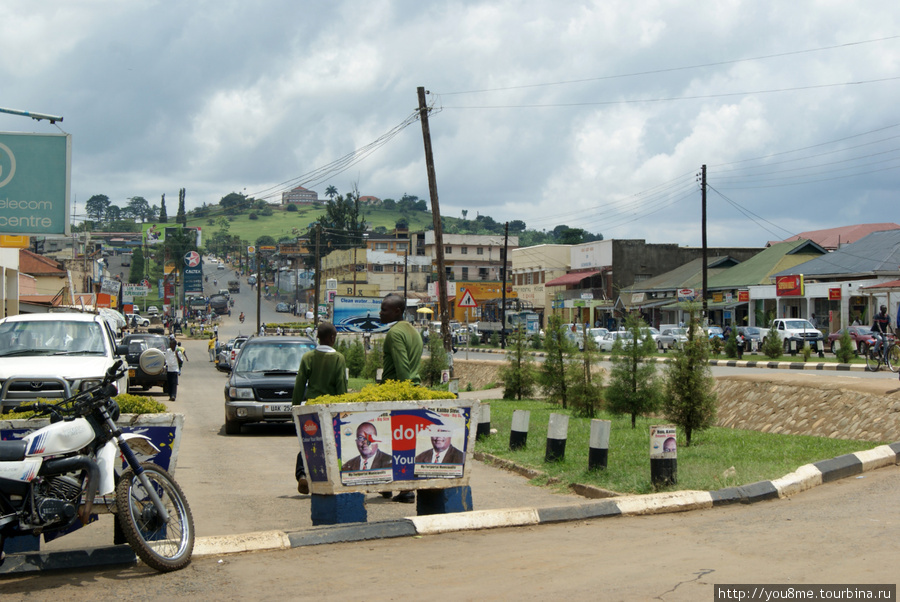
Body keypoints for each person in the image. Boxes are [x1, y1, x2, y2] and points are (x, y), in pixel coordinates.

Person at [293, 322, 348, 494]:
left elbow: (300, 383)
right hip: (331, 409)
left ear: (317, 337)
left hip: (311, 408)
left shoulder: (308, 357)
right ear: (332, 338)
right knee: (331, 444)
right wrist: (343, 407)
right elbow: (341, 385)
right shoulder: (339, 358)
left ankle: (302, 475)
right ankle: (332, 477)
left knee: (308, 442)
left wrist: (295, 406)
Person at [379, 293, 423, 503]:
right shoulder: (412, 331)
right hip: (411, 390)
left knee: (392, 442)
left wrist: (402, 395)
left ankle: (404, 489)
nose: (380, 313)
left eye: (384, 309)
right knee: (404, 442)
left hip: (396, 392)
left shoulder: (395, 333)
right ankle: (389, 485)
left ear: (397, 311)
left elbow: (402, 367)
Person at [164, 337, 184, 401]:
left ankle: (173, 395)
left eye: (171, 344)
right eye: (170, 344)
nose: (170, 345)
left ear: (175, 345)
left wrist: (176, 355)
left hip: (175, 369)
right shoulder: (168, 351)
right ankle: (170, 395)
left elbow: (181, 361)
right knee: (169, 383)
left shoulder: (178, 352)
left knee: (174, 383)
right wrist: (165, 366)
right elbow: (166, 359)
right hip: (169, 369)